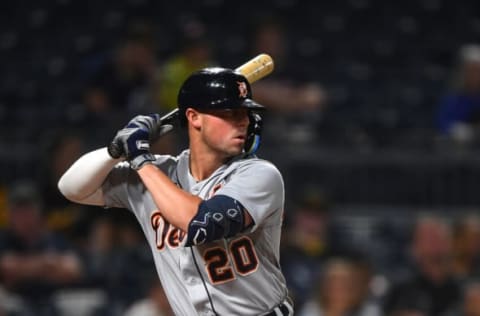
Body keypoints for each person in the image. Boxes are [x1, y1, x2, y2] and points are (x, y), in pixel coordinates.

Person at [58, 67, 293, 315]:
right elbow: (71, 188)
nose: (243, 121)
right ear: (193, 117)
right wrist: (115, 149)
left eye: (245, 113)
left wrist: (140, 159)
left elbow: (201, 223)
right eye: (230, 113)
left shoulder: (259, 175)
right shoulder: (158, 173)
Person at [0, 180, 83, 315]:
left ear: (38, 211)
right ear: (10, 214)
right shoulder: (4, 239)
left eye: (28, 210)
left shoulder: (52, 238)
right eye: (19, 211)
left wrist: (22, 268)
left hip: (53, 299)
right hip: (13, 300)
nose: (24, 217)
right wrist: (47, 264)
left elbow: (73, 269)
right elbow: (6, 268)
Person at [382, 216, 461, 316]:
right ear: (414, 247)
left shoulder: (462, 287)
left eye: (440, 238)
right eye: (429, 239)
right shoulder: (401, 290)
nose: (436, 245)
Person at [436, 44, 480, 146]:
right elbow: (442, 121)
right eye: (471, 71)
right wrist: (457, 130)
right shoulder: (454, 98)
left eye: (477, 71)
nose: (475, 76)